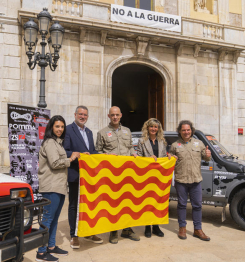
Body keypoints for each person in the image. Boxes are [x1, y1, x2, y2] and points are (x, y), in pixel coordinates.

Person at [36, 115, 80, 262]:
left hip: (59, 186)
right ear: (51, 127)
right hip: (51, 186)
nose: (60, 129)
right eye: (57, 126)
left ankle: (52, 246)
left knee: (54, 219)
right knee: (48, 218)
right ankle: (41, 252)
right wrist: (71, 158)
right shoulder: (49, 143)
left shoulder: (57, 143)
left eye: (62, 127)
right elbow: (55, 163)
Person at [96, 106, 140, 244]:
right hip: (112, 175)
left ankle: (127, 229)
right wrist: (106, 155)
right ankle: (113, 231)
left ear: (121, 115)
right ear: (109, 116)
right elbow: (97, 152)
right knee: (113, 203)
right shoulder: (102, 133)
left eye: (117, 115)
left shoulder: (127, 131)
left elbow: (130, 147)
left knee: (128, 202)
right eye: (112, 115)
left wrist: (133, 152)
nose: (115, 117)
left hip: (127, 174)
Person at [63, 106, 103, 249]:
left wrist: (107, 156)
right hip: (75, 174)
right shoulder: (68, 130)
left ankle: (89, 232)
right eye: (80, 114)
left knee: (90, 204)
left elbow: (92, 152)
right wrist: (77, 154)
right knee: (74, 205)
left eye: (85, 115)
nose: (82, 116)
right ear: (75, 114)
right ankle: (74, 235)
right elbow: (65, 151)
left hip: (89, 176)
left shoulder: (89, 132)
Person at [169, 120, 211, 241]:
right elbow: (170, 160)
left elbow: (206, 158)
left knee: (197, 205)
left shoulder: (199, 143)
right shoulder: (175, 145)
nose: (186, 132)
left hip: (196, 180)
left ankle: (198, 229)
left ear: (191, 131)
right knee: (182, 205)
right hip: (181, 180)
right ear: (180, 131)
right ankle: (182, 228)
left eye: (188, 130)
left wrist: (208, 155)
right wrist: (170, 157)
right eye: (183, 130)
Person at [136, 118, 173, 238]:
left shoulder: (162, 141)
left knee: (158, 201)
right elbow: (138, 159)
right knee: (147, 202)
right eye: (151, 126)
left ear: (158, 129)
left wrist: (169, 157)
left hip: (159, 177)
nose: (153, 129)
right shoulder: (142, 141)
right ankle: (147, 226)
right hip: (146, 177)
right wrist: (148, 159)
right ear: (147, 128)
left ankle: (156, 227)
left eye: (156, 127)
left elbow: (164, 156)